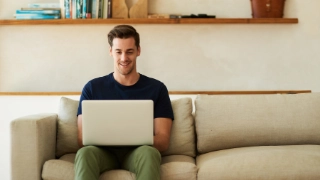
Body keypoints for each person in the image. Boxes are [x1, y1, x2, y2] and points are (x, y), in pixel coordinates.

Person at [74, 25, 174, 180]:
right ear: (110, 52)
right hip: (103, 153)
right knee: (85, 153)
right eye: (118, 52)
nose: (123, 58)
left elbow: (163, 140)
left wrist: (134, 137)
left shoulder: (157, 88)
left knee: (149, 152)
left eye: (129, 52)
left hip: (138, 153)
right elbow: (82, 139)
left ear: (138, 51)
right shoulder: (92, 88)